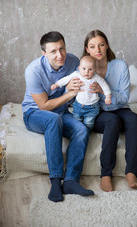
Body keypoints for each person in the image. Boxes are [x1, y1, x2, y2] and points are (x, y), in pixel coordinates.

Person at [22, 31, 94, 202]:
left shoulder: (74, 61)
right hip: (34, 113)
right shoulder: (33, 71)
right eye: (53, 51)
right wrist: (70, 93)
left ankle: (70, 181)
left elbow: (84, 85)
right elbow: (44, 105)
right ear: (44, 53)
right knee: (53, 119)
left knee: (81, 130)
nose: (59, 55)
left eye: (62, 48)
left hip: (61, 112)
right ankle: (55, 181)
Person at [81, 29, 137, 191]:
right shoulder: (83, 68)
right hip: (97, 112)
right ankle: (106, 174)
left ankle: (131, 172)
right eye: (92, 47)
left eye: (101, 45)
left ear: (107, 45)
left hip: (120, 108)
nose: (97, 50)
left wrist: (103, 91)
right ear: (87, 49)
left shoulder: (120, 66)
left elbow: (124, 98)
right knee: (112, 120)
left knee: (134, 119)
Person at [51, 55, 111, 129]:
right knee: (77, 120)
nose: (87, 72)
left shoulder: (96, 78)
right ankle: (78, 131)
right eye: (84, 69)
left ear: (95, 70)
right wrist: (57, 84)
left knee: (89, 122)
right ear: (79, 68)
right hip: (78, 105)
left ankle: (87, 132)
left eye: (90, 69)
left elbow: (105, 85)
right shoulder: (77, 74)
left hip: (92, 106)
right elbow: (66, 79)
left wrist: (108, 96)